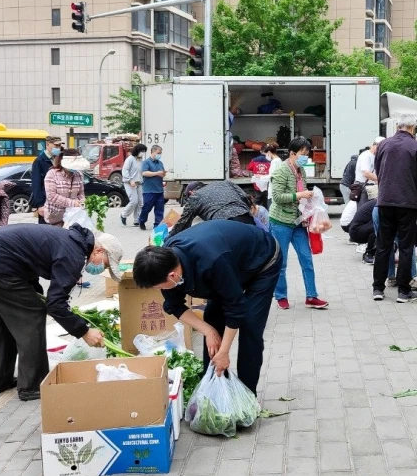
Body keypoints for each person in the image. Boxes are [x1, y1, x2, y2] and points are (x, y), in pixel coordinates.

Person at [0, 223, 123, 400]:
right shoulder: (74, 255)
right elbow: (56, 304)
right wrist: (84, 331)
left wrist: (42, 299)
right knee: (31, 315)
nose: (102, 269)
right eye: (106, 264)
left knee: (1, 320)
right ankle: (32, 385)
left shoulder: (70, 242)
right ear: (98, 250)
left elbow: (29, 266)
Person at [132, 221, 282, 395]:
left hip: (262, 261)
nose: (159, 290)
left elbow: (235, 307)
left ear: (172, 275)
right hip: (230, 264)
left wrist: (224, 351)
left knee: (250, 325)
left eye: (158, 287)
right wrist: (208, 331)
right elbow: (175, 305)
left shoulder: (212, 261)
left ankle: (247, 396)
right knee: (212, 319)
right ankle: (214, 390)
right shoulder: (163, 265)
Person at [371, 116, 417, 303]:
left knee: (383, 245)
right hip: (407, 203)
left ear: (398, 127)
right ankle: (403, 291)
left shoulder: (384, 144)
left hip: (385, 201)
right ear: (413, 128)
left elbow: (378, 170)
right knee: (406, 247)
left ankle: (378, 288)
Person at [269, 136, 329, 310]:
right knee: (281, 262)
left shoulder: (300, 170)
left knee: (306, 259)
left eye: (307, 154)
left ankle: (312, 296)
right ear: (292, 153)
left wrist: (311, 200)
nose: (305, 157)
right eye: (303, 153)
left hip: (298, 222)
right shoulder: (281, 171)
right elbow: (277, 197)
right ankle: (281, 296)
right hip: (280, 222)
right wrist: (299, 195)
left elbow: (302, 192)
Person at [169, 180, 255, 237]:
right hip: (246, 218)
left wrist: (168, 240)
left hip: (225, 226)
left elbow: (183, 223)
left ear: (191, 192)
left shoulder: (195, 196)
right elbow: (245, 197)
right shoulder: (225, 183)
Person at [42, 149, 85, 227]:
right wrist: (73, 203)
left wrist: (82, 202)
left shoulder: (79, 175)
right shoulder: (52, 174)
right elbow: (51, 196)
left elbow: (80, 192)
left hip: (73, 217)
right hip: (55, 217)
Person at [30, 136, 61, 224]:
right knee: (45, 228)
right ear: (48, 145)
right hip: (45, 202)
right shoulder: (39, 161)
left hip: (58, 202)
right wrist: (40, 205)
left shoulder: (59, 159)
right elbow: (36, 185)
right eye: (56, 145)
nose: (58, 148)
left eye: (59, 146)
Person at [138, 144, 166, 231]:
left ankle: (157, 226)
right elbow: (144, 173)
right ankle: (142, 220)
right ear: (153, 152)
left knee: (159, 209)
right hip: (149, 190)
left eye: (160, 153)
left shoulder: (160, 163)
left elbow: (162, 173)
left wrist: (163, 175)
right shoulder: (146, 162)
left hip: (159, 190)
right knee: (146, 208)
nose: (159, 155)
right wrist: (157, 173)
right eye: (158, 153)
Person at [120, 143, 148, 227]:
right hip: (130, 183)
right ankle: (123, 215)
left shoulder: (141, 160)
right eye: (142, 151)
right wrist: (130, 180)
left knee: (140, 202)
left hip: (139, 183)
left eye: (144, 151)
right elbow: (125, 170)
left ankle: (137, 219)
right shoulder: (130, 159)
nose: (142, 153)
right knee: (134, 201)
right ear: (137, 150)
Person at [355, 138, 385, 204]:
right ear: (376, 145)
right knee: (363, 207)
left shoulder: (376, 157)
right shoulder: (365, 156)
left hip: (372, 187)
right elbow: (366, 173)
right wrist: (381, 180)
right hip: (364, 187)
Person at [349, 199, 377, 264]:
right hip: (356, 231)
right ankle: (369, 254)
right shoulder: (380, 203)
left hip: (361, 228)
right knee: (377, 227)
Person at [263, 144, 283, 209]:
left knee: (271, 210)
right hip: (275, 190)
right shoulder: (277, 160)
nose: (266, 156)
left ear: (269, 152)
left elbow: (272, 176)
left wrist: (261, 177)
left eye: (265, 154)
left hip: (274, 190)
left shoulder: (275, 161)